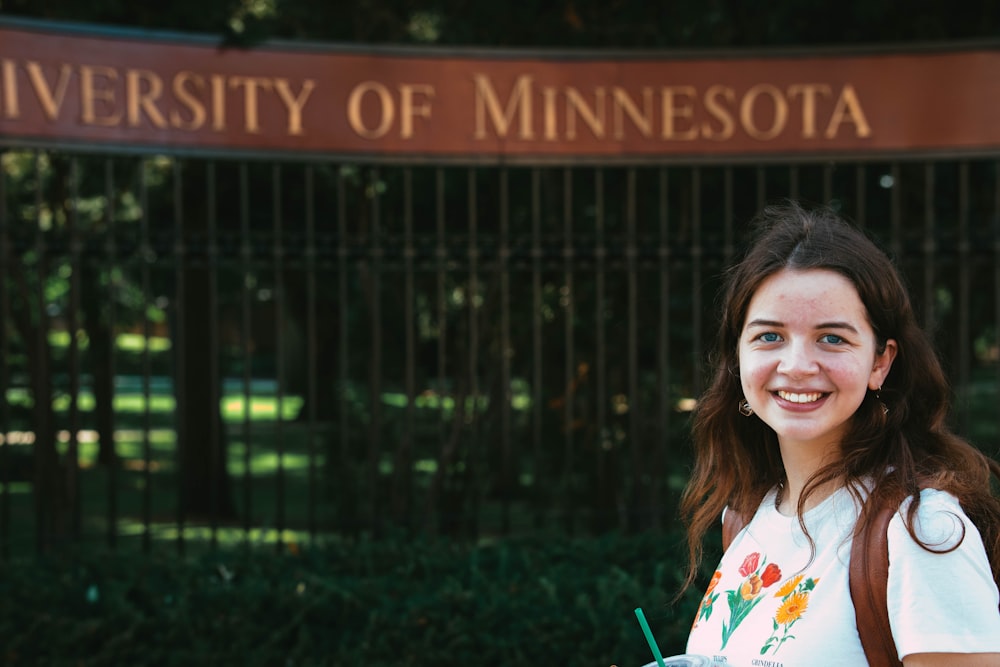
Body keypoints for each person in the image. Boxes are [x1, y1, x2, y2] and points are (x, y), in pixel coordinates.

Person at [680, 202, 1000, 666]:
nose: (796, 366)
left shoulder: (922, 531)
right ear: (738, 357)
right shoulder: (746, 520)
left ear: (880, 362)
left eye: (832, 338)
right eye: (769, 336)